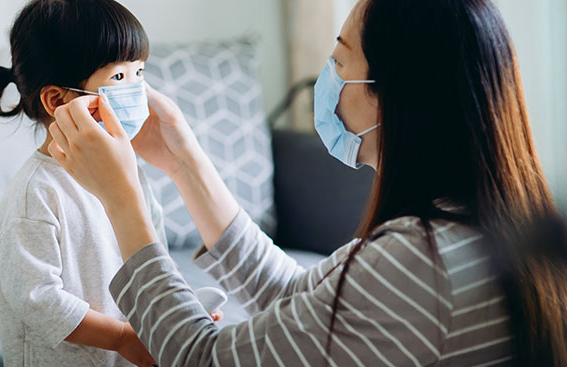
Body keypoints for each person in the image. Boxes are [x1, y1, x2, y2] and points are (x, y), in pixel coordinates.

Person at [47, 0, 567, 365]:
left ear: (391, 94)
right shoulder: (482, 227)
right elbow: (302, 305)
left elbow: (201, 358)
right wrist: (185, 163)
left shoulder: (420, 265)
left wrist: (123, 199)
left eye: (340, 60)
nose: (329, 78)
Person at [0, 0, 177, 366]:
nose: (137, 91)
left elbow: (154, 258)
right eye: (119, 78)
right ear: (58, 100)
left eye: (140, 73)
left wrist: (179, 320)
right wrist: (120, 338)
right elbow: (37, 297)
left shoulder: (129, 171)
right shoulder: (34, 195)